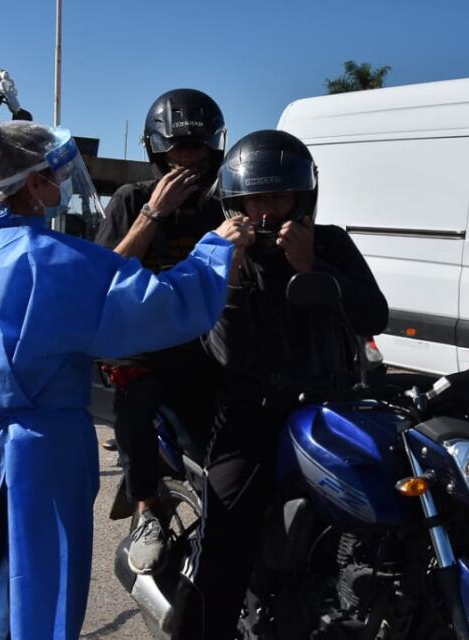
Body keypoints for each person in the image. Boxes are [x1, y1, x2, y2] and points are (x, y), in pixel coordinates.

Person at [0, 120, 248, 639]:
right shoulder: (59, 260)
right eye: (53, 177)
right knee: (42, 585)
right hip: (46, 446)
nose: (59, 188)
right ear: (34, 183)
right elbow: (158, 306)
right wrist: (214, 249)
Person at [168, 129, 389, 640]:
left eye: (279, 196)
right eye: (256, 198)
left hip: (333, 411)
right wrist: (233, 272)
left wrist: (312, 266)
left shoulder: (330, 242)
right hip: (254, 414)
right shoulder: (217, 253)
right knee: (223, 542)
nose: (266, 210)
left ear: (301, 198)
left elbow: (373, 313)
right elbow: (226, 351)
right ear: (237, 202)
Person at [94, 88, 229, 575]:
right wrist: (156, 212)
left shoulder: (223, 207)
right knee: (136, 386)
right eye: (179, 149)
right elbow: (104, 272)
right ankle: (147, 508)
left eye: (197, 149)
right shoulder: (131, 199)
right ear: (157, 150)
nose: (189, 160)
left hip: (209, 344)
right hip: (145, 346)